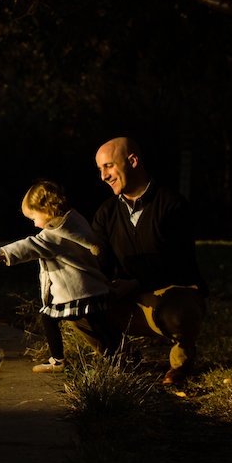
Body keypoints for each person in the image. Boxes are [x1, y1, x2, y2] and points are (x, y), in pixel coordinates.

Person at [90, 137, 209, 386]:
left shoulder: (172, 205)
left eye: (109, 166)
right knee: (76, 306)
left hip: (170, 295)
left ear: (133, 161)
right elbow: (99, 264)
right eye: (100, 169)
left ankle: (181, 362)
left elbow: (179, 264)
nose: (103, 176)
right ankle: (123, 360)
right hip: (127, 300)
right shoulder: (106, 213)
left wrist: (134, 283)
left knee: (181, 313)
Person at [0, 179, 116, 374]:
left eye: (34, 217)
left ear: (47, 210)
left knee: (48, 317)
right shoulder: (75, 221)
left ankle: (57, 360)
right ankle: (117, 357)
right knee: (98, 326)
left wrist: (2, 255)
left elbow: (30, 246)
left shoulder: (54, 236)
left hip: (75, 293)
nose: (35, 224)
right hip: (93, 288)